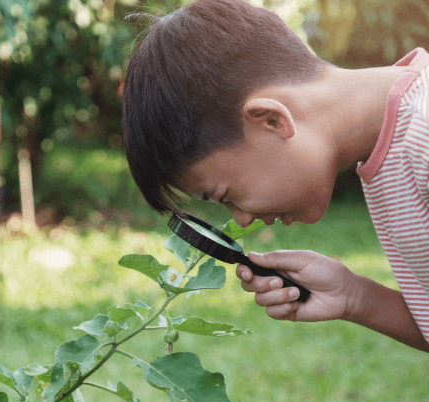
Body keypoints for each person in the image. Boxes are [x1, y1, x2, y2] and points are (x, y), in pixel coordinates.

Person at [121, 0, 429, 352]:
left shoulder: (424, 139)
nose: (243, 218)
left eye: (227, 196)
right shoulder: (396, 151)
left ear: (271, 120)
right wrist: (355, 296)